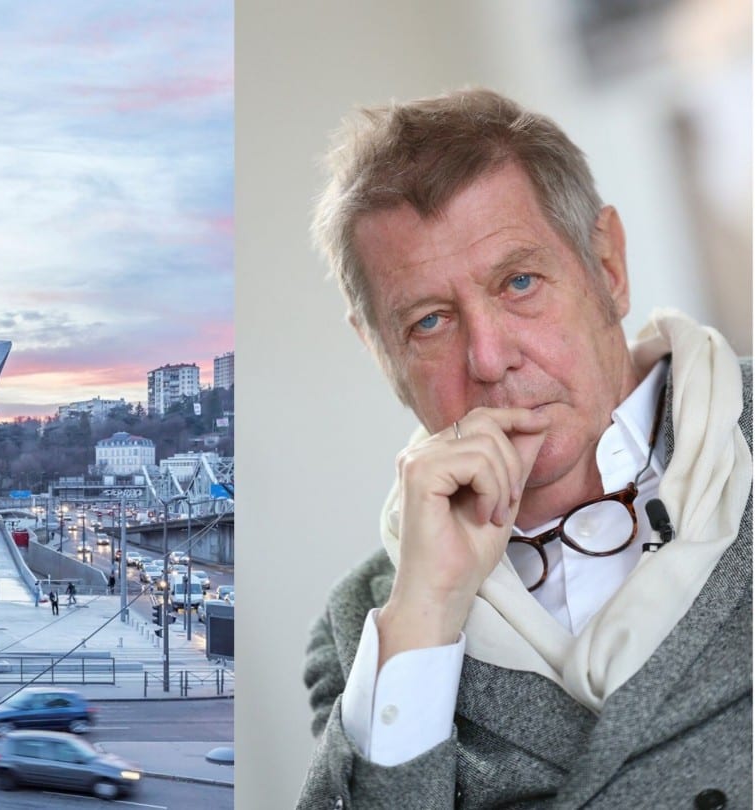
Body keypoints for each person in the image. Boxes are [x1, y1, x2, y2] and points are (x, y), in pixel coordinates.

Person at [297, 88, 752, 808]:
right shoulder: (365, 626)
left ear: (607, 265)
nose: (487, 356)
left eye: (519, 282)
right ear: (378, 349)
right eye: (429, 322)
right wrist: (430, 608)